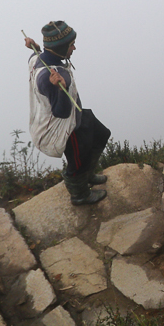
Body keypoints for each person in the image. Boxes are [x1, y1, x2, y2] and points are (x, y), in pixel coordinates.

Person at [25, 20, 110, 205]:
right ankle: (79, 194)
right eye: (71, 45)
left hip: (75, 115)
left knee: (102, 134)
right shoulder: (51, 78)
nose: (74, 48)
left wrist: (35, 48)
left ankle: (87, 174)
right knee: (77, 160)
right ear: (61, 47)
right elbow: (61, 113)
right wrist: (61, 88)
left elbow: (34, 56)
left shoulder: (39, 58)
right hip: (63, 127)